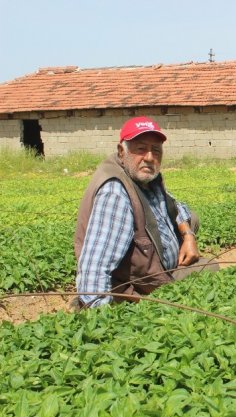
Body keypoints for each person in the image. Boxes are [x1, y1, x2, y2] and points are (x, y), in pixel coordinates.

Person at [74, 116, 218, 308]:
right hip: (135, 289)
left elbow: (177, 206)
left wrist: (188, 235)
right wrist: (101, 321)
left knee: (208, 264)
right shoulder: (116, 192)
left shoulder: (146, 179)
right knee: (207, 272)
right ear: (121, 151)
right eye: (141, 149)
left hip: (158, 273)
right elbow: (95, 267)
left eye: (156, 150)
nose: (149, 157)